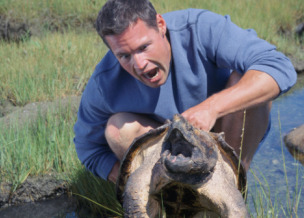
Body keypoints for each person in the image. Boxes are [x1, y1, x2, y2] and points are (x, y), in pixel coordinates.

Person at [74, 0, 297, 184]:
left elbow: (280, 67)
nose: (139, 63)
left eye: (143, 47)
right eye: (125, 55)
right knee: (117, 128)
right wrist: (131, 185)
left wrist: (211, 107)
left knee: (247, 76)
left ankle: (230, 183)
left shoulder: (200, 28)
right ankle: (168, 196)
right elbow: (89, 149)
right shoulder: (105, 82)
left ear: (161, 25)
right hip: (165, 152)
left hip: (224, 136)